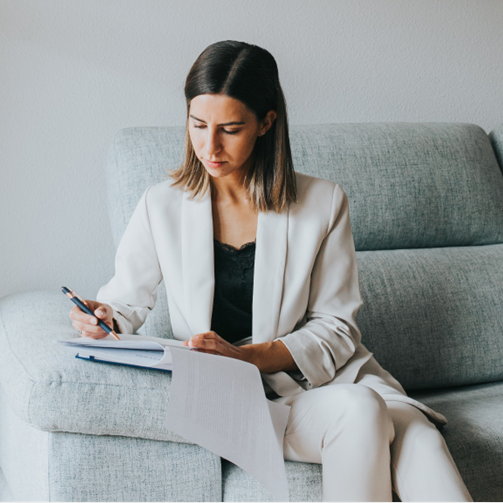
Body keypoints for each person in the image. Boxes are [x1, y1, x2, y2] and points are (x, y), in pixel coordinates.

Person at [69, 40, 473, 502]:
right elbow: (124, 301)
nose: (209, 146)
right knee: (364, 411)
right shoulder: (161, 205)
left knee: (419, 437)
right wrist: (102, 316)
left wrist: (250, 356)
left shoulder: (323, 203)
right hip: (236, 398)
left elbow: (338, 329)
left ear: (266, 122)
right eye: (198, 125)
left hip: (328, 381)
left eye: (230, 128)